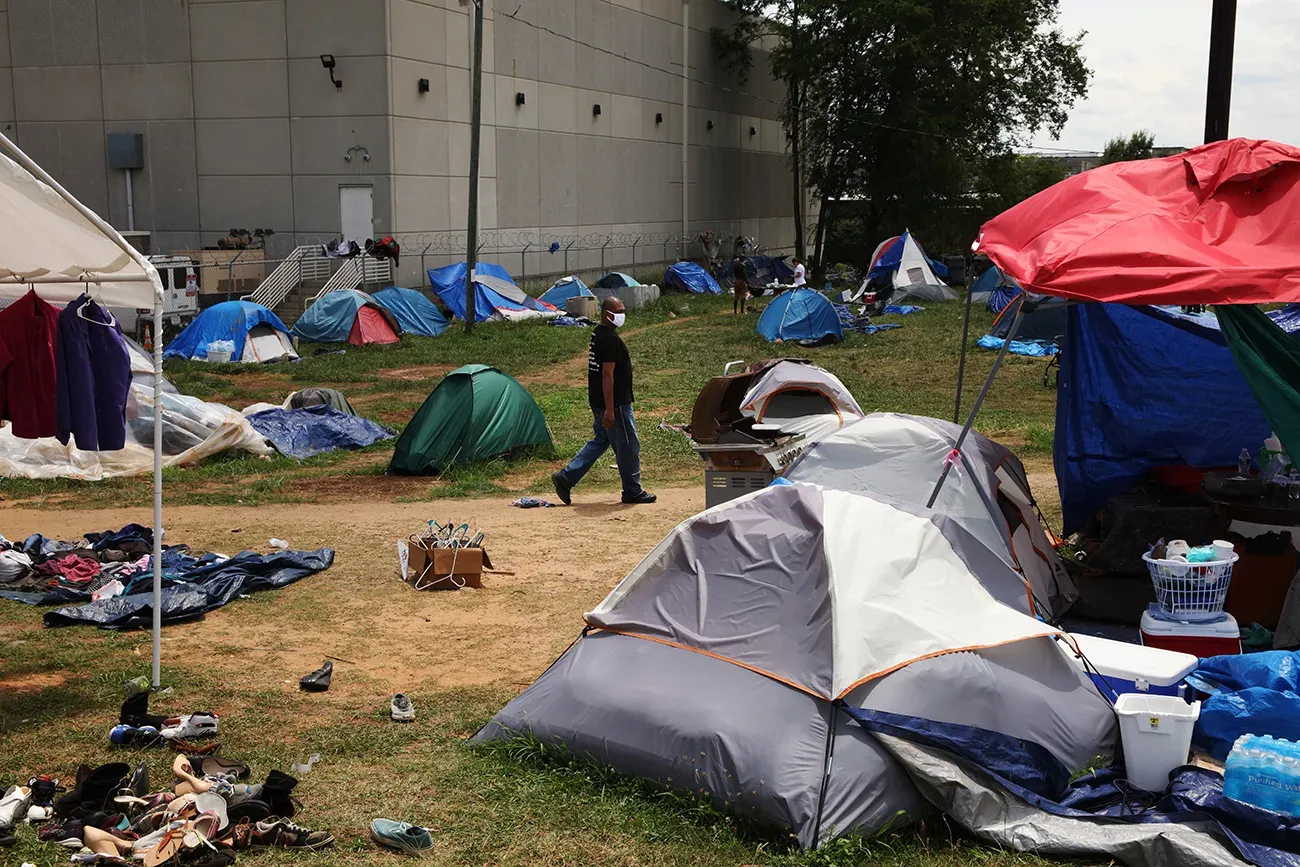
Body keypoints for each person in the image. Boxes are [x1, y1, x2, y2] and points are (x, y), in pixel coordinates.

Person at [552, 297, 656, 506]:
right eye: (619, 311)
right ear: (607, 313)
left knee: (602, 439)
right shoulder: (609, 340)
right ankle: (632, 491)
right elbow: (607, 375)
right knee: (628, 445)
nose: (622, 315)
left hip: (600, 401)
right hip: (615, 404)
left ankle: (567, 477)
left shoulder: (598, 334)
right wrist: (610, 409)